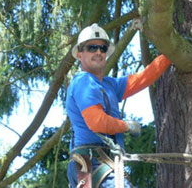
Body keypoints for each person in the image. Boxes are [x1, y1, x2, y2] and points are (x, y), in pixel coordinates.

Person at [66, 23, 171, 188]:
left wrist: (170, 54)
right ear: (80, 54)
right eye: (92, 48)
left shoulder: (109, 85)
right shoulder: (83, 81)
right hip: (91, 161)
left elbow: (144, 77)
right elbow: (97, 121)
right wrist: (127, 126)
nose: (99, 52)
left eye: (103, 48)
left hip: (101, 162)